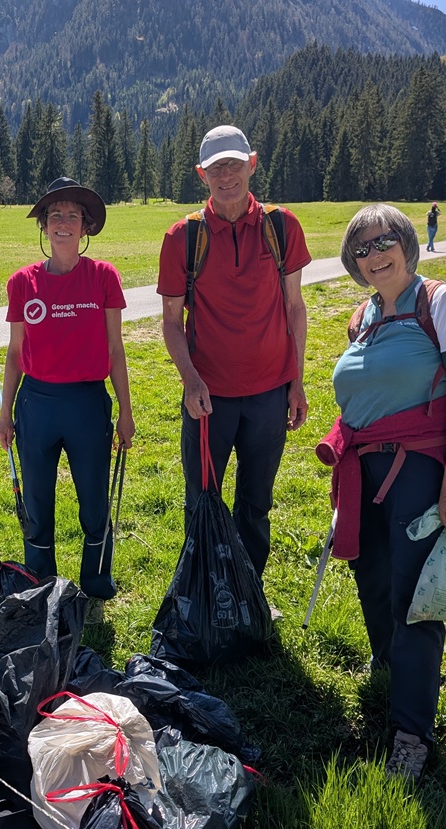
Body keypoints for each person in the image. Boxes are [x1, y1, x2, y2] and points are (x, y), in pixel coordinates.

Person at [316, 204, 446, 780]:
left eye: (382, 243)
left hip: (422, 467)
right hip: (366, 470)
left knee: (415, 595)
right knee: (370, 576)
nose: (373, 256)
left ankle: (411, 732)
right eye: (361, 250)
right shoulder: (363, 315)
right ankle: (387, 664)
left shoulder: (442, 302)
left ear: (406, 242)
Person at [158, 125, 311, 577]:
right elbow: (170, 321)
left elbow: (295, 307)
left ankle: (249, 592)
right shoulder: (182, 237)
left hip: (269, 393)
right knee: (202, 499)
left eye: (235, 163)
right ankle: (204, 593)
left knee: (256, 503)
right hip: (208, 398)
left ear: (253, 164)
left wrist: (297, 381)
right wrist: (190, 381)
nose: (227, 175)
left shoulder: (281, 226)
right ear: (201, 174)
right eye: (216, 167)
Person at [0, 177, 135, 600]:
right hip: (36, 404)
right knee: (37, 501)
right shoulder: (22, 283)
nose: (62, 223)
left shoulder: (104, 277)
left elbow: (115, 348)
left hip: (88, 404)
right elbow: (16, 352)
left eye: (72, 215)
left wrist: (125, 412)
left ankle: (95, 581)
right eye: (54, 215)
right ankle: (41, 585)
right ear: (43, 225)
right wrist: (6, 413)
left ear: (85, 227)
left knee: (94, 498)